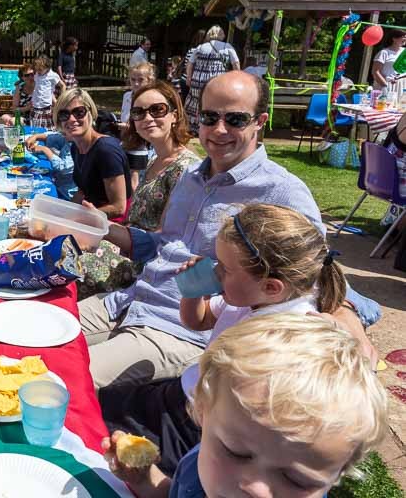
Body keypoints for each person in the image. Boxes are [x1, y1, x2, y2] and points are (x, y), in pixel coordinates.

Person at [78, 71, 379, 390]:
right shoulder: (191, 176)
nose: (219, 130)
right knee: (27, 336)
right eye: (210, 117)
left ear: (259, 121)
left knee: (64, 380)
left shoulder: (281, 191)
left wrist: (348, 318)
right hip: (129, 299)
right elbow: (163, 245)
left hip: (179, 329)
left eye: (235, 119)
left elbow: (316, 271)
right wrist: (103, 227)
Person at [102, 203, 348, 475]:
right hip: (180, 393)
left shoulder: (285, 337)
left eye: (225, 269)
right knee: (105, 402)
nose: (216, 272)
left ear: (271, 286)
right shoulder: (248, 296)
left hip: (198, 426)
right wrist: (193, 292)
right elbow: (199, 320)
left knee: (114, 451)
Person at [103, 313, 387, 498]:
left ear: (337, 475)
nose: (255, 489)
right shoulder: (198, 460)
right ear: (201, 411)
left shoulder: (226, 450)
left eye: (297, 481)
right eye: (236, 453)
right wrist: (147, 480)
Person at [78, 81, 200, 297]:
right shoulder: (155, 160)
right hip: (126, 244)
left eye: (157, 110)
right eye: (139, 112)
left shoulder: (186, 168)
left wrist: (101, 224)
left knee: (71, 266)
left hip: (147, 263)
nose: (147, 118)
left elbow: (165, 238)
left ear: (175, 114)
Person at [53, 88, 130, 220]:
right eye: (64, 115)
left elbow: (119, 207)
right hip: (90, 215)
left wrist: (78, 218)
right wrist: (63, 214)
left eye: (79, 112)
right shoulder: (76, 148)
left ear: (90, 113)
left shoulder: (106, 150)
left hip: (113, 223)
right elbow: (83, 191)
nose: (71, 119)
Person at [185, 25, 240, 132]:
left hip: (198, 81)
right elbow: (236, 64)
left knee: (196, 103)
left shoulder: (200, 47)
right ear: (222, 35)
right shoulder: (226, 47)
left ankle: (194, 127)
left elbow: (190, 64)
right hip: (217, 82)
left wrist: (189, 77)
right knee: (214, 104)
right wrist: (236, 78)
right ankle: (210, 126)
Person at [121, 62, 157, 189]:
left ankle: (134, 203)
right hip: (127, 138)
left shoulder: (151, 98)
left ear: (149, 81)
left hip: (142, 142)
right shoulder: (127, 96)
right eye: (133, 79)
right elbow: (125, 115)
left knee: (135, 176)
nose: (136, 83)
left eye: (140, 80)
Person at [24, 130, 77, 200]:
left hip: (67, 195)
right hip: (59, 183)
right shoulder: (70, 138)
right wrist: (36, 137)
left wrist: (45, 150)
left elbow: (63, 168)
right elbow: (56, 138)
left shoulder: (79, 144)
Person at [30, 55, 65, 129]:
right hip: (36, 106)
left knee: (48, 128)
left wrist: (60, 99)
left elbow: (62, 86)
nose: (38, 71)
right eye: (37, 69)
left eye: (40, 69)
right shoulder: (37, 75)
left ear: (47, 67)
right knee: (35, 128)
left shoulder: (52, 75)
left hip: (46, 107)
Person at [179, 29, 205, 101]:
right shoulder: (197, 51)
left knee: (185, 102)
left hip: (184, 79)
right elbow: (189, 66)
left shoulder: (191, 50)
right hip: (190, 81)